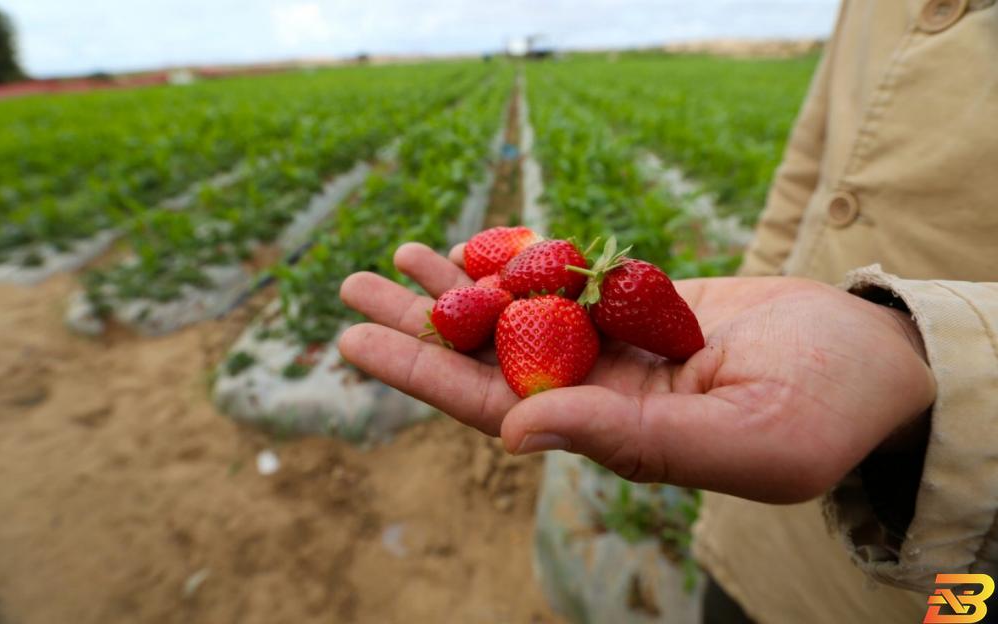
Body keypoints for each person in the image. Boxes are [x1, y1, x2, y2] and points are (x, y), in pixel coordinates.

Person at [337, 0, 998, 621]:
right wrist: (759, 291)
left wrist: (939, 361)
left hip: (941, 582)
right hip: (758, 546)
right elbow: (814, 164)